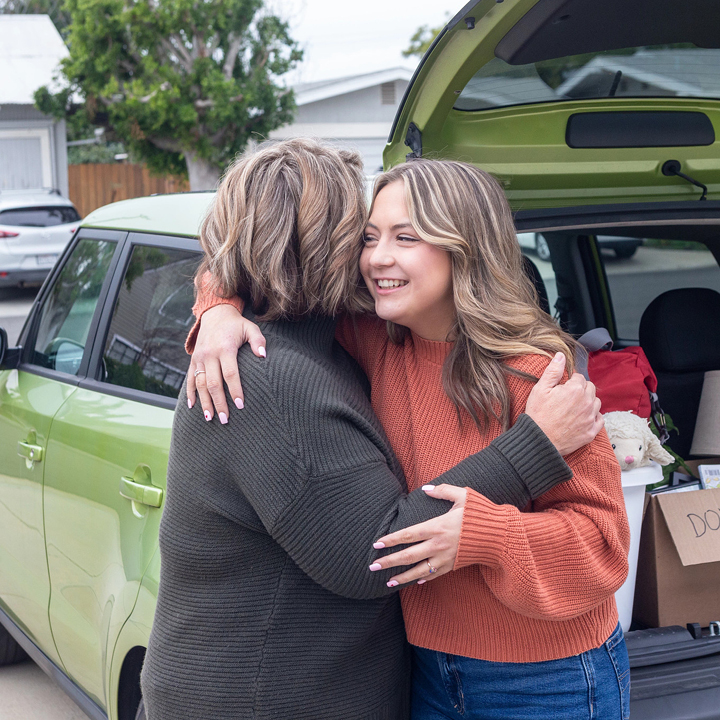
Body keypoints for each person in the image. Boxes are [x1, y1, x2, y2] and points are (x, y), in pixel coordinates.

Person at [140, 140, 604, 720]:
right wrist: (216, 305)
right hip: (314, 691)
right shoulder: (312, 358)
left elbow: (603, 542)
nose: (377, 256)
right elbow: (370, 550)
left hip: (538, 676)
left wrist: (219, 300)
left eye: (404, 237)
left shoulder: (520, 373)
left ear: (466, 248)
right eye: (364, 235)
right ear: (330, 246)